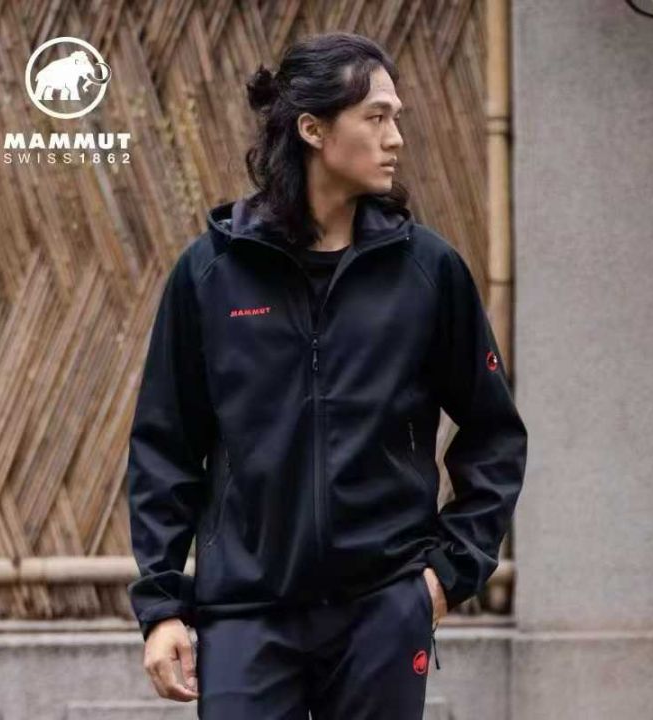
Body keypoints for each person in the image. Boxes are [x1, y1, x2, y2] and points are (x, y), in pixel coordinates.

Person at [126, 31, 528, 719]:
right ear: (313, 129)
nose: (396, 138)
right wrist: (163, 606)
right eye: (376, 117)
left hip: (382, 611)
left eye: (396, 117)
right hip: (246, 615)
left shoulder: (428, 272)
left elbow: (495, 434)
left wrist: (444, 575)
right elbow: (165, 447)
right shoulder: (211, 274)